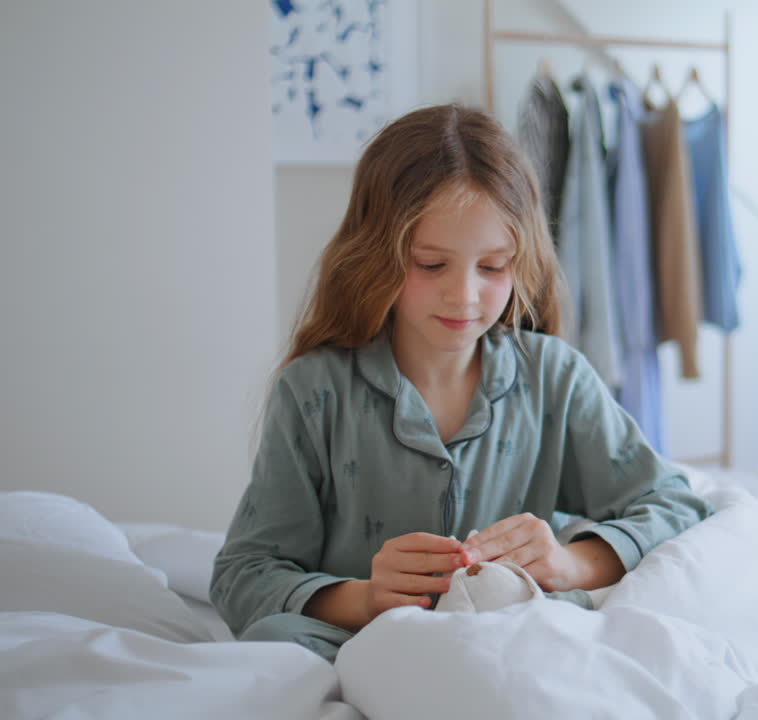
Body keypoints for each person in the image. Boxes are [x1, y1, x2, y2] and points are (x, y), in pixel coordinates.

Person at [210, 104, 713, 663]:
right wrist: (364, 598)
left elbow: (676, 505)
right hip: (362, 651)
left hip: (511, 645)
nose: (465, 295)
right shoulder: (313, 391)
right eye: (431, 265)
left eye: (493, 267)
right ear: (379, 254)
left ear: (520, 263)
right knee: (271, 649)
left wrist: (569, 563)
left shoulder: (554, 376)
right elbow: (242, 577)